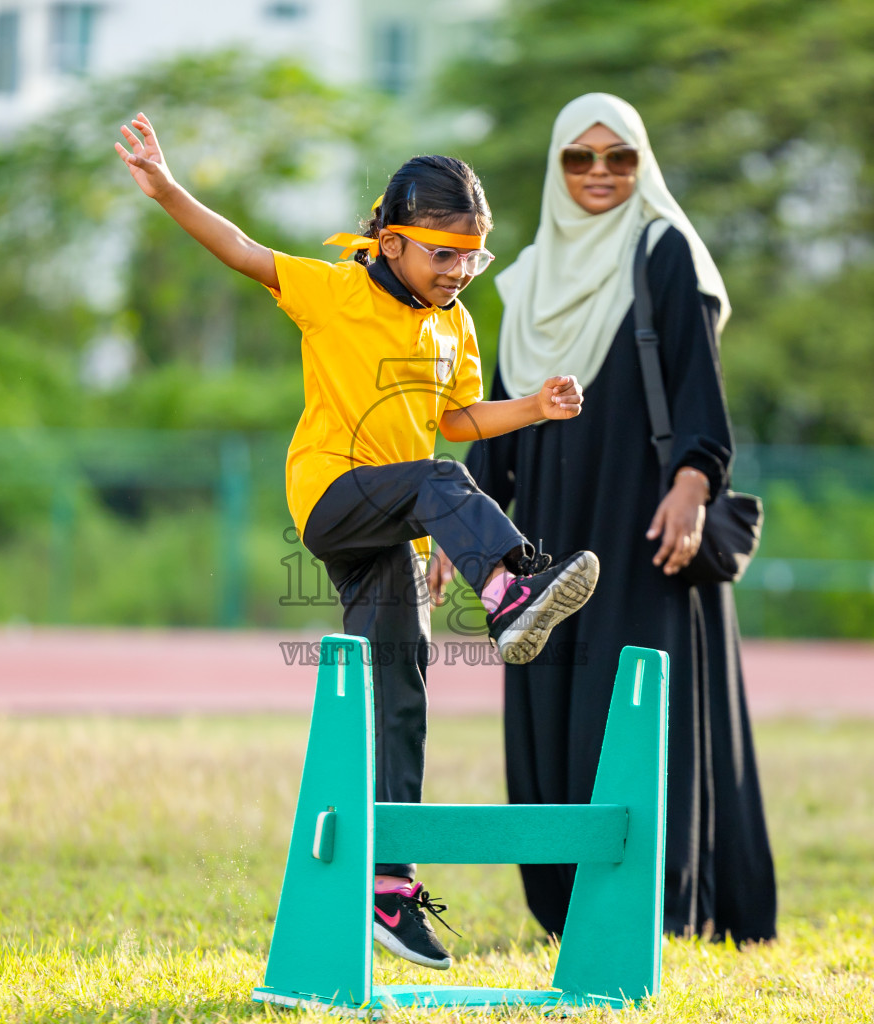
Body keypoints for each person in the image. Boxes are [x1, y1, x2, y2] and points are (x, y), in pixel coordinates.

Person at [115, 115, 602, 968]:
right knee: (441, 481)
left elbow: (453, 419)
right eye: (441, 254)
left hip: (401, 524)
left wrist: (534, 407)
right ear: (391, 238)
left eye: (471, 257)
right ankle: (511, 592)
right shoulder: (335, 291)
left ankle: (389, 886)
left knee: (401, 689)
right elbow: (239, 248)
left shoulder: (454, 325)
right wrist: (167, 190)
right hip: (333, 499)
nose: (457, 272)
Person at [432, 93, 777, 943]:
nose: (598, 173)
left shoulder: (664, 251)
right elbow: (503, 422)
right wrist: (462, 528)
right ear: (556, 168)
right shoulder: (531, 278)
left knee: (634, 708)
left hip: (643, 526)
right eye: (579, 158)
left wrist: (694, 485)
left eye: (618, 157)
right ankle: (566, 905)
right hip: (549, 537)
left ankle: (665, 903)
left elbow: (699, 381)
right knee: (554, 705)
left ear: (642, 164)